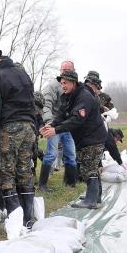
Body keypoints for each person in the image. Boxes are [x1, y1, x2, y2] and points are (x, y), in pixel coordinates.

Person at [0, 46, 36, 227]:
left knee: (5, 174)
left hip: (8, 130)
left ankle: (15, 220)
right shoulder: (22, 74)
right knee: (24, 172)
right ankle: (27, 219)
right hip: (28, 127)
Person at [41, 70, 107, 209]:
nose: (62, 86)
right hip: (85, 138)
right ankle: (96, 196)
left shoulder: (84, 97)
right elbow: (60, 115)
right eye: (61, 83)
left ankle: (91, 200)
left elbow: (77, 120)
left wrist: (56, 130)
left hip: (93, 137)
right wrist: (51, 125)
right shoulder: (67, 96)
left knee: (89, 168)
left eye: (65, 83)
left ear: (73, 82)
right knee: (91, 167)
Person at [38, 61, 78, 192]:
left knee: (71, 154)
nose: (65, 71)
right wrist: (49, 121)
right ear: (60, 70)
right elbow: (46, 104)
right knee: (51, 154)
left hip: (69, 126)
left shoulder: (75, 87)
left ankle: (70, 183)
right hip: (55, 124)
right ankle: (42, 185)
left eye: (68, 69)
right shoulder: (53, 86)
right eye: (63, 69)